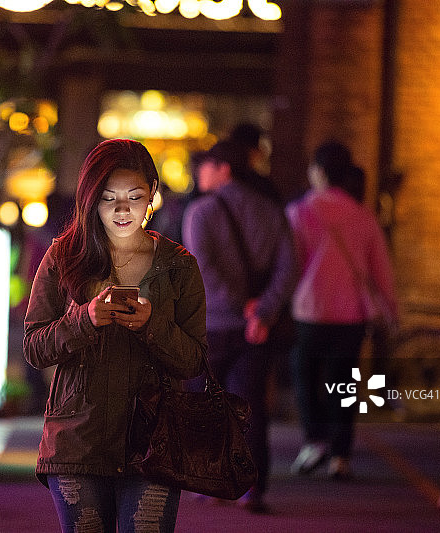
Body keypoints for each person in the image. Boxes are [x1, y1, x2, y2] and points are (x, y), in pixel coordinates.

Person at [23, 138, 207, 532]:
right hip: (77, 442)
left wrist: (152, 326)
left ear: (152, 192)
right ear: (91, 200)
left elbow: (194, 360)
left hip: (153, 441)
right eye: (109, 198)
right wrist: (85, 319)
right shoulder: (63, 257)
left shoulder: (178, 266)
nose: (123, 210)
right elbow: (34, 346)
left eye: (135, 196)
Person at [182, 140, 296, 513]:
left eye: (206, 165)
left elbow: (203, 269)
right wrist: (262, 311)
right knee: (250, 407)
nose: (200, 173)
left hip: (212, 325)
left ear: (224, 169)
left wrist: (238, 306)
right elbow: (287, 266)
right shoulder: (270, 211)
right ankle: (253, 487)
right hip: (255, 329)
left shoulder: (200, 213)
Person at [285, 141, 398, 480]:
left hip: (310, 310)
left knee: (305, 376)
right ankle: (341, 456)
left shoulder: (299, 212)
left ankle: (315, 440)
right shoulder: (362, 215)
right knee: (344, 384)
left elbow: (291, 265)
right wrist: (391, 310)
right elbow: (381, 268)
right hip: (351, 314)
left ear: (318, 172)